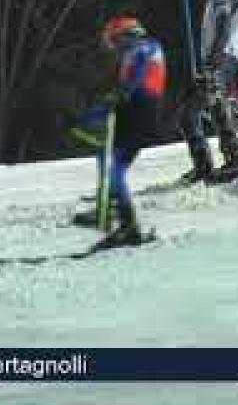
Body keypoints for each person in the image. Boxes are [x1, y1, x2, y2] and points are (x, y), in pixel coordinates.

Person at [68, 16, 167, 246]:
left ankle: (128, 226)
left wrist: (120, 93)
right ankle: (109, 208)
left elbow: (137, 77)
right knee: (106, 155)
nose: (115, 47)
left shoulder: (143, 47)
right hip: (134, 110)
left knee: (115, 168)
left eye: (116, 41)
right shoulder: (138, 50)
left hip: (140, 112)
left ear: (127, 35)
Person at [179, 0, 238, 184]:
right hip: (217, 61)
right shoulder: (212, 1)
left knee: (197, 111)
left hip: (224, 60)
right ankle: (211, 164)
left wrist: (213, 66)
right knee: (201, 109)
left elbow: (224, 29)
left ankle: (231, 162)